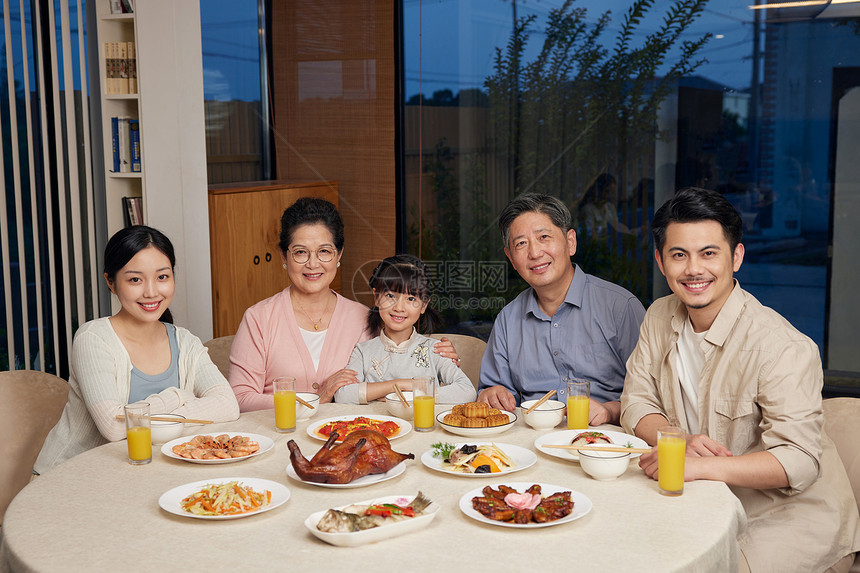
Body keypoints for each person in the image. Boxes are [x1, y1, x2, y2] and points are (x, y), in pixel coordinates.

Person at [620, 187, 860, 573]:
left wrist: (696, 467)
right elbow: (636, 402)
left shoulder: (782, 346)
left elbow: (798, 461)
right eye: (679, 255)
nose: (694, 269)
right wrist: (676, 439)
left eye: (709, 253)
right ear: (661, 263)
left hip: (786, 516)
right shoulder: (659, 316)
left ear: (737, 257)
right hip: (703, 499)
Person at [34, 226, 239, 473]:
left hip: (143, 475)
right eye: (135, 279)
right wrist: (178, 397)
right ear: (111, 282)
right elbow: (114, 426)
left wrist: (148, 413)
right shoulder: (93, 338)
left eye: (162, 277)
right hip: (71, 476)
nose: (151, 292)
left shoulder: (186, 342)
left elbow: (228, 405)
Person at [228, 197, 459, 411]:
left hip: (348, 439)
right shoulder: (259, 318)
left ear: (339, 255)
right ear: (283, 256)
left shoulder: (366, 318)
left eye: (324, 252)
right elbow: (239, 398)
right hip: (277, 439)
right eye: (300, 253)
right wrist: (317, 399)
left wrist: (439, 355)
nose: (313, 264)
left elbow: (398, 366)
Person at [478, 193, 646, 425]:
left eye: (544, 237)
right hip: (533, 439)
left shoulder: (619, 307)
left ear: (570, 242)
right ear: (511, 258)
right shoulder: (508, 319)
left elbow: (653, 397)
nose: (535, 253)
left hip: (607, 442)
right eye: (521, 243)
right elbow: (494, 390)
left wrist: (609, 411)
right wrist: (491, 394)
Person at [335, 255, 476, 404]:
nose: (399, 308)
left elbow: (467, 392)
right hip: (377, 426)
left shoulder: (434, 349)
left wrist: (411, 391)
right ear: (376, 297)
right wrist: (399, 385)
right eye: (390, 295)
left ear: (423, 305)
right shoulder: (363, 351)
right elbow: (343, 396)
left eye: (411, 299)